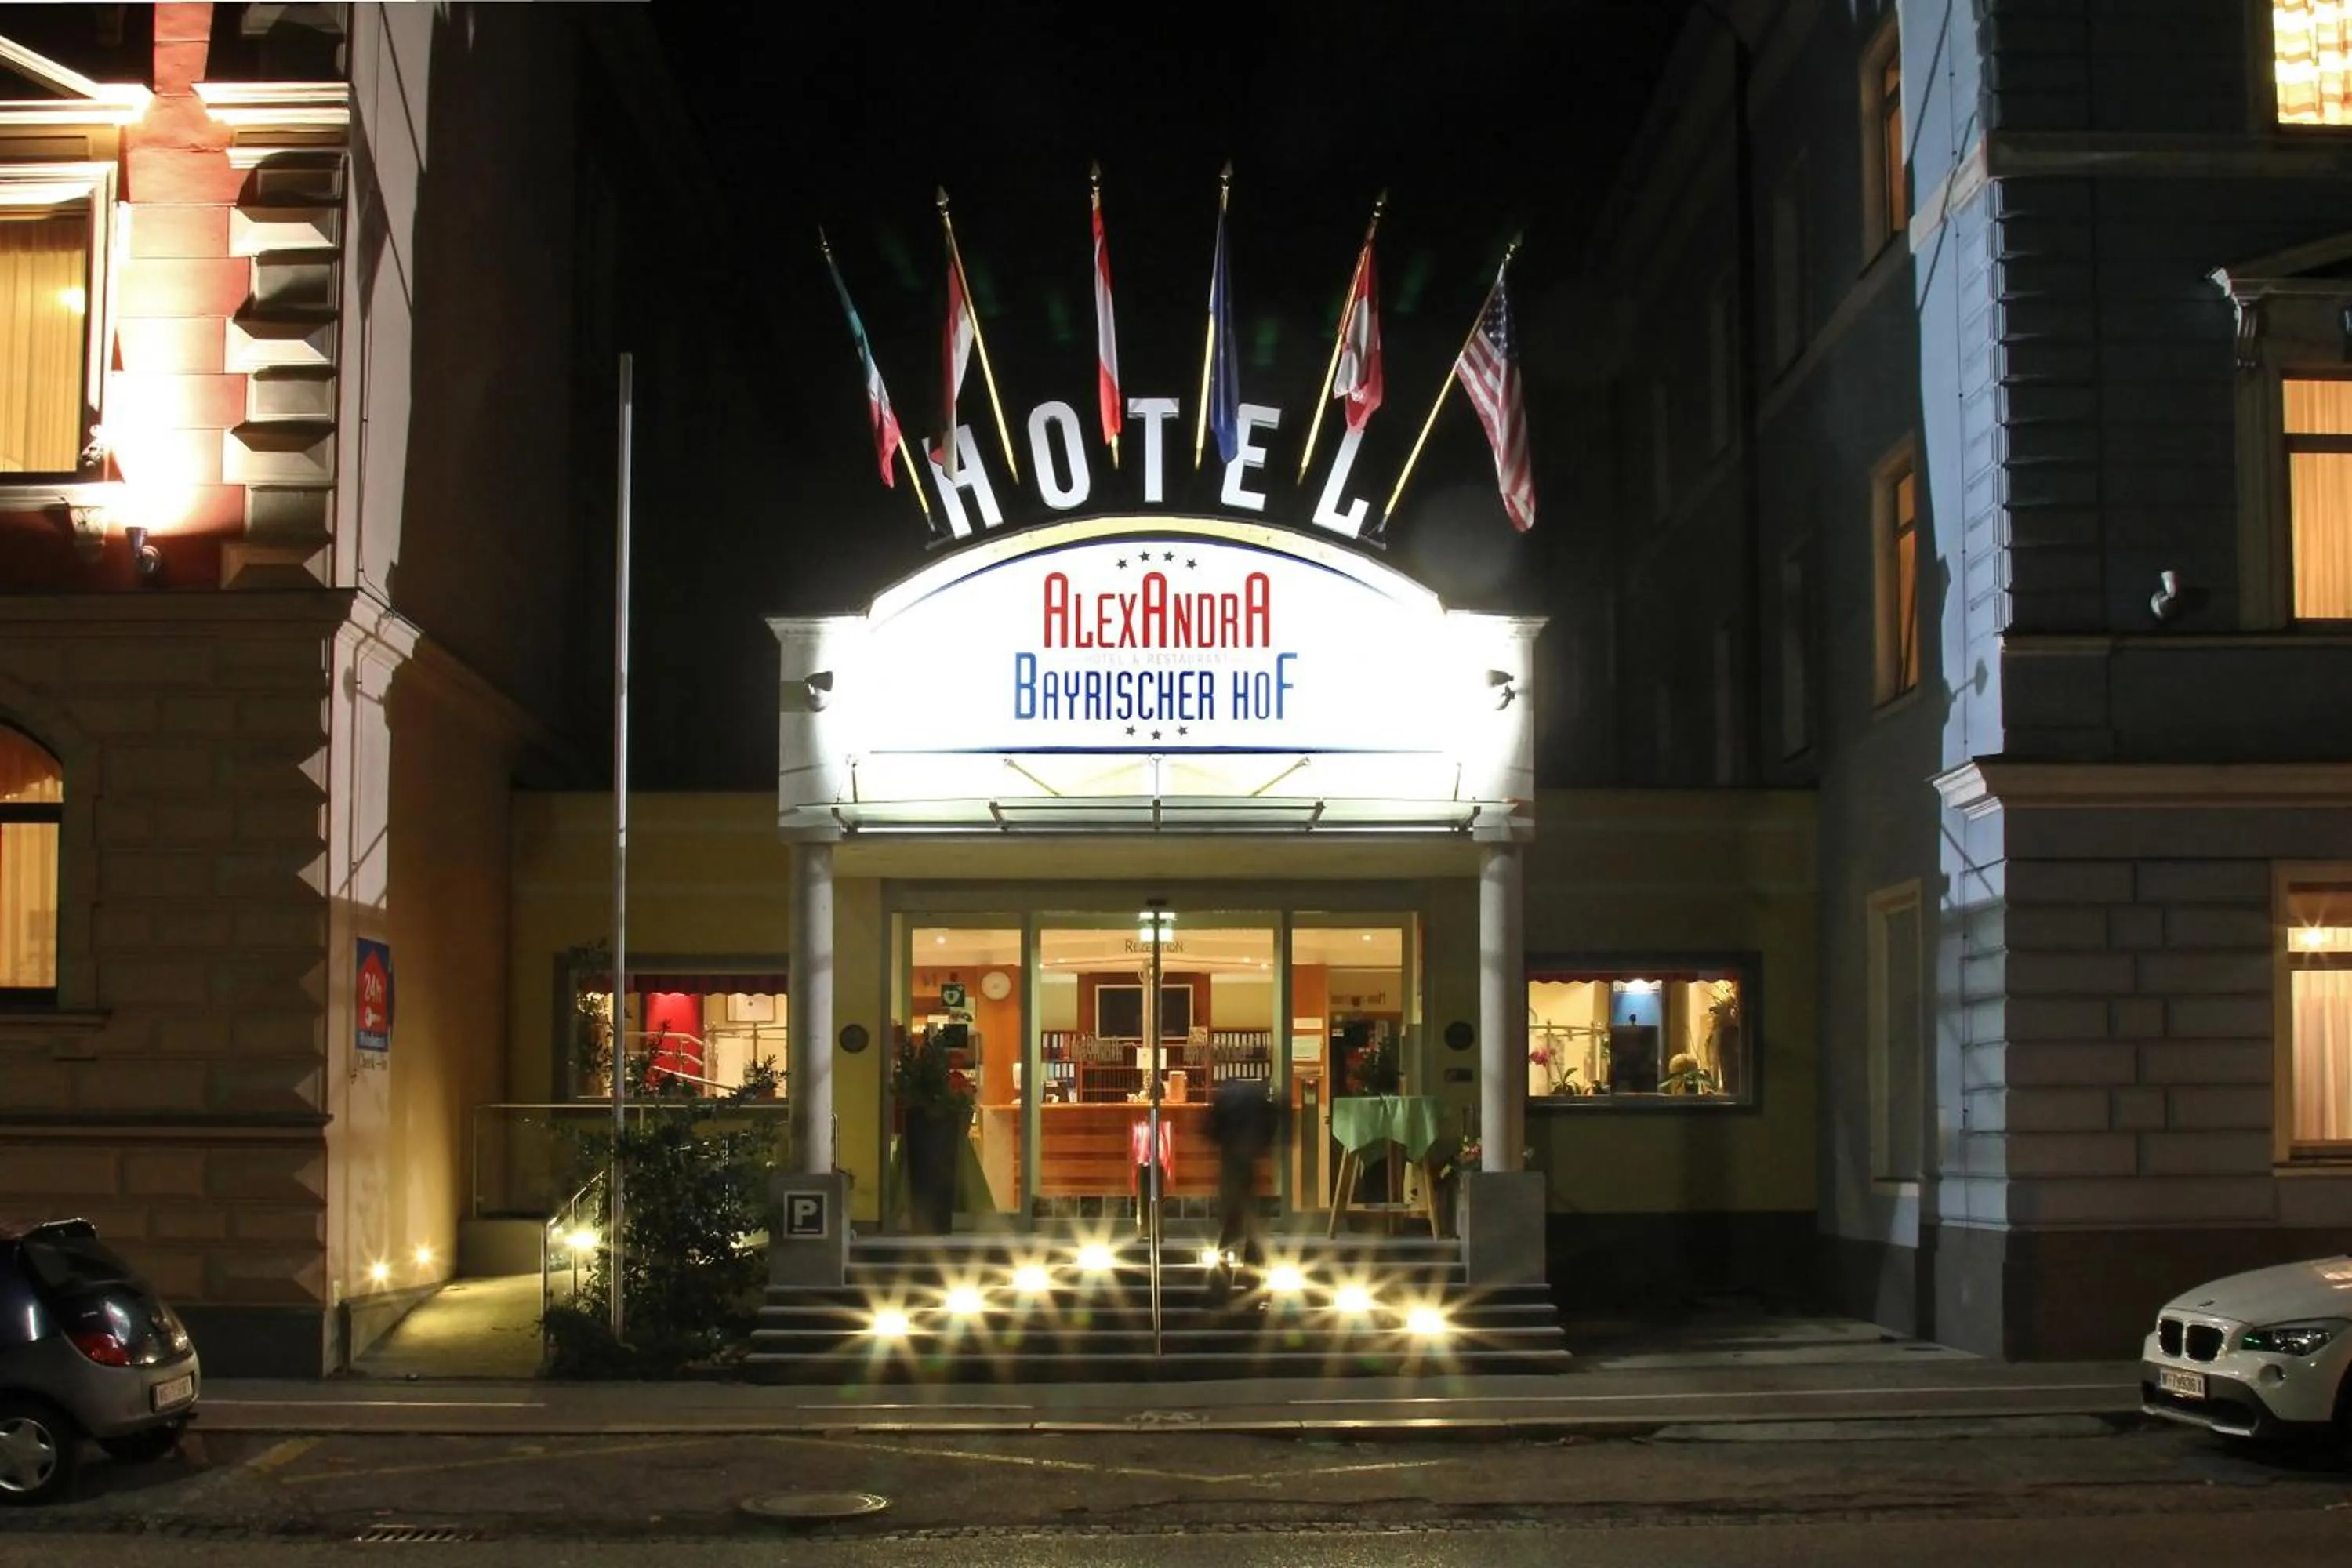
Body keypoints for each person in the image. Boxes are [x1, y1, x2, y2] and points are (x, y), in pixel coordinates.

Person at [1204, 1075, 1283, 1303]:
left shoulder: (1227, 1098)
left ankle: (1219, 1288)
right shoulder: (1259, 1098)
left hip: (1231, 1163)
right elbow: (1275, 1121)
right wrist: (1263, 1145)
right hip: (1250, 1165)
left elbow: (1210, 1129)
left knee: (1230, 1230)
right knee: (1251, 1230)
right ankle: (1252, 1286)